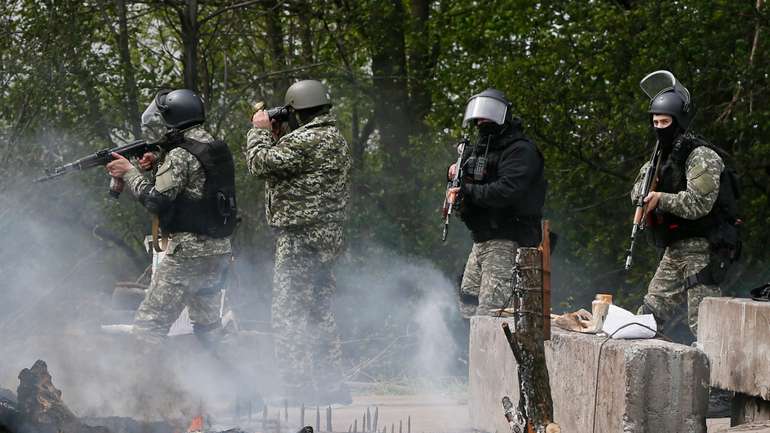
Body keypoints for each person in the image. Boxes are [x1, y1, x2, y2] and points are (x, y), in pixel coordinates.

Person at [446, 88, 554, 431]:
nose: (481, 122)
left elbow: (509, 190)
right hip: (483, 240)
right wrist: (455, 179)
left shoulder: (520, 151)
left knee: (491, 318)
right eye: (478, 117)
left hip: (508, 239)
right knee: (469, 303)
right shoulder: (480, 148)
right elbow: (470, 180)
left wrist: (468, 192)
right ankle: (482, 383)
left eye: (487, 117)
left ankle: (496, 387)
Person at [244, 79, 352, 404]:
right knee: (319, 312)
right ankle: (332, 387)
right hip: (328, 235)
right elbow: (291, 168)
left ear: (296, 110)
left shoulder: (305, 139)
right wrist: (278, 137)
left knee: (289, 315)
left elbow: (258, 164)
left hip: (300, 236)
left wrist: (260, 130)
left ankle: (298, 390)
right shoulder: (334, 138)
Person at [106, 88, 237, 346]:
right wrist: (157, 163)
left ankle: (145, 386)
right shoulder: (215, 147)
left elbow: (156, 200)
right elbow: (196, 188)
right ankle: (235, 382)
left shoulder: (180, 154)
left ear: (174, 118)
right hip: (218, 249)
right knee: (209, 327)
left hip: (188, 254)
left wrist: (129, 172)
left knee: (148, 326)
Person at [633, 83, 727, 338]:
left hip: (703, 248)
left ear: (678, 121)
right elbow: (637, 191)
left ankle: (715, 378)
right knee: (648, 317)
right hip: (674, 249)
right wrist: (643, 196)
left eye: (665, 122)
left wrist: (661, 199)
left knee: (705, 325)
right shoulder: (659, 158)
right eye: (655, 122)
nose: (659, 128)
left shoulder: (701, 157)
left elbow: (699, 203)